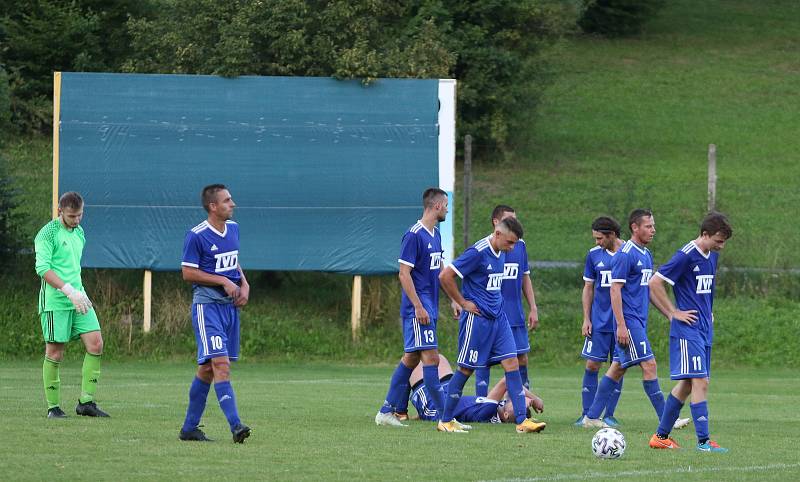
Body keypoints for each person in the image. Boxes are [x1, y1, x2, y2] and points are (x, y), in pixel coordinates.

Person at [582, 209, 688, 430]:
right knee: (649, 365)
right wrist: (620, 324)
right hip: (629, 322)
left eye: (653, 226)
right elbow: (615, 290)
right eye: (648, 226)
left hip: (638, 321)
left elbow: (648, 290)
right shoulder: (626, 254)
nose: (653, 230)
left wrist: (669, 313)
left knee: (618, 367)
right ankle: (668, 419)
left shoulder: (646, 254)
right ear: (635, 227)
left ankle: (591, 417)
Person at [438, 217, 545, 433]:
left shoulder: (501, 252)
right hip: (477, 321)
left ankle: (522, 421)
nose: (512, 247)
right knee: (466, 369)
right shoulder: (477, 252)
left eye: (515, 243)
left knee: (512, 364)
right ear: (497, 234)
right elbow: (445, 276)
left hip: (499, 319)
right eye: (510, 242)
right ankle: (446, 420)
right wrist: (462, 302)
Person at [648, 213, 733, 453]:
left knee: (687, 384)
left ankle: (661, 436)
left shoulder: (711, 257)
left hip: (704, 328)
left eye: (724, 241)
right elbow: (655, 283)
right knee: (701, 381)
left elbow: (707, 291)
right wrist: (672, 312)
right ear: (705, 234)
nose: (721, 245)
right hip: (688, 330)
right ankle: (704, 442)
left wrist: (709, 312)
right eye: (718, 240)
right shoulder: (685, 255)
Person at [179, 184, 251, 443]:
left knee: (207, 370)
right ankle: (236, 426)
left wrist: (243, 283)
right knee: (221, 365)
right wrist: (222, 281)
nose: (233, 204)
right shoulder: (196, 235)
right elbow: (188, 272)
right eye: (227, 200)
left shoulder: (233, 228)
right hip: (207, 307)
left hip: (228, 309)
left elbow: (233, 261)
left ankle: (189, 429)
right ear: (213, 206)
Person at [374, 188, 449, 427]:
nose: (447, 208)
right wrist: (417, 306)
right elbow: (403, 274)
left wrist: (455, 300)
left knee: (410, 358)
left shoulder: (435, 235)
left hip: (430, 307)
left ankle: (386, 410)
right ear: (436, 206)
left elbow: (438, 272)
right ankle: (444, 417)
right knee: (431, 359)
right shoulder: (413, 235)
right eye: (446, 204)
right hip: (418, 309)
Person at [35, 191, 109, 418]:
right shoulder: (47, 234)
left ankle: (86, 402)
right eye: (71, 216)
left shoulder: (80, 232)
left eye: (79, 215)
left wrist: (78, 292)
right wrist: (67, 291)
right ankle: (53, 408)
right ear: (60, 211)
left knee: (96, 343)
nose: (76, 220)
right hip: (56, 301)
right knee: (55, 352)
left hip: (79, 298)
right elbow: (43, 269)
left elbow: (71, 266)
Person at [474, 205, 539, 397]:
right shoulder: (484, 249)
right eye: (510, 219)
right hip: (491, 315)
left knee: (521, 359)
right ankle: (482, 404)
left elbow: (525, 277)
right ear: (497, 223)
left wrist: (533, 307)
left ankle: (519, 400)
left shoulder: (520, 245)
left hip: (515, 314)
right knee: (483, 360)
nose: (515, 223)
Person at [575, 216, 626, 427]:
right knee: (592, 363)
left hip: (622, 322)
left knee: (619, 364)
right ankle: (587, 414)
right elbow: (588, 288)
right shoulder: (594, 255)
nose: (597, 242)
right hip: (599, 321)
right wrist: (586, 318)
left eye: (599, 238)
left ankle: (609, 414)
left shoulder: (629, 254)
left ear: (611, 235)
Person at [410, 355, 544, 425]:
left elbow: (507, 381)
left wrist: (534, 399)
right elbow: (513, 391)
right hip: (449, 389)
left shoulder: (488, 410)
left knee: (414, 359)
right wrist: (527, 403)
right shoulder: (498, 410)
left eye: (517, 404)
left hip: (433, 404)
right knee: (438, 357)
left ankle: (399, 411)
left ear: (507, 415)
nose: (518, 400)